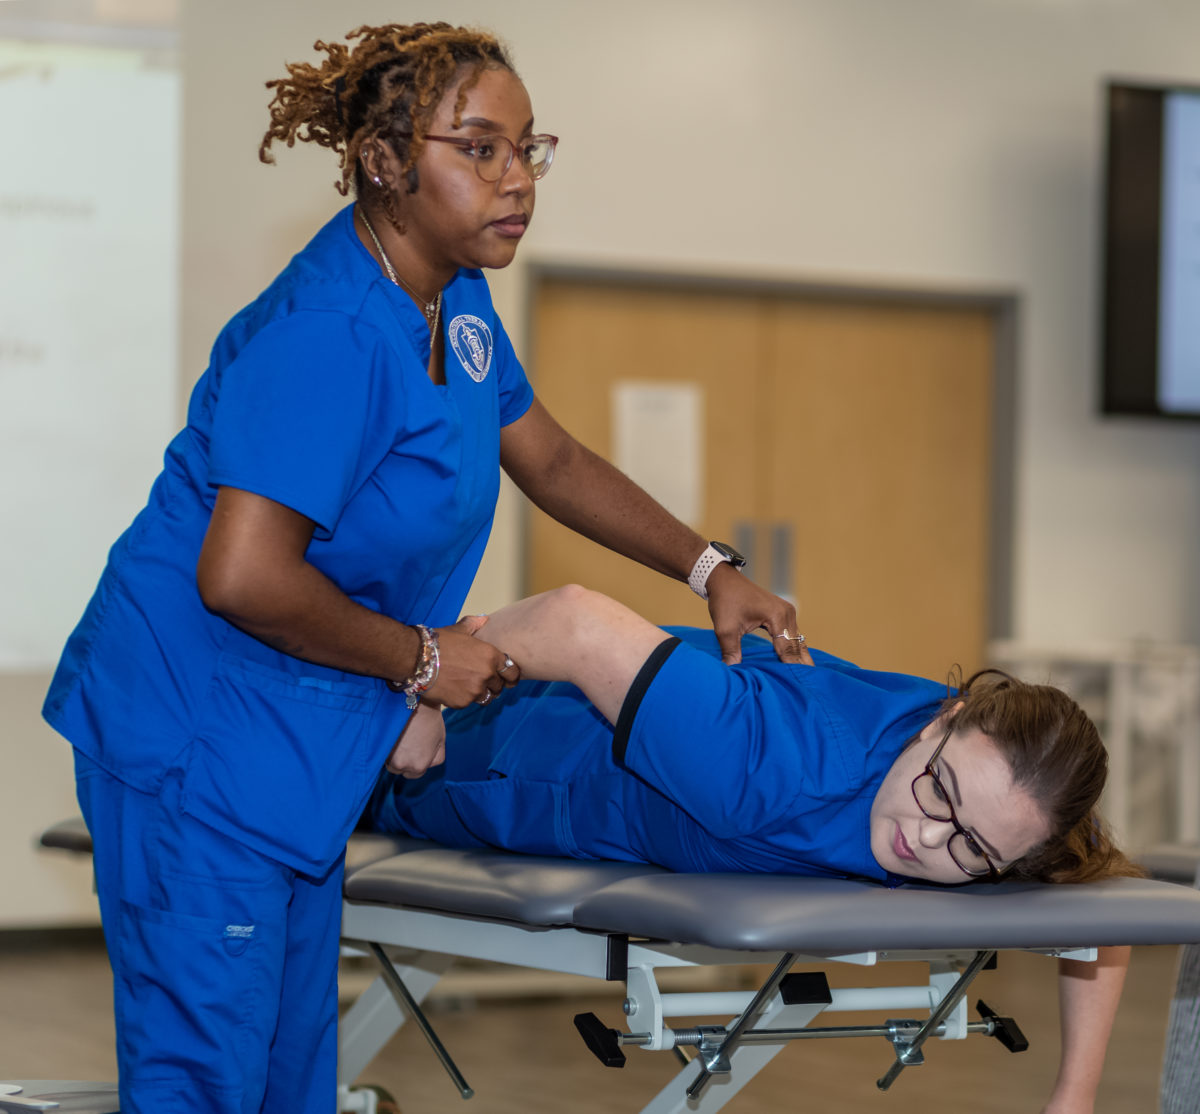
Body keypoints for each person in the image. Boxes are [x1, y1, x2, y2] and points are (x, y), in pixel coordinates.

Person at [40, 24, 794, 1114]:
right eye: (480, 149)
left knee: (291, 1082)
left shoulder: (455, 300)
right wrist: (421, 657)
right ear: (386, 160)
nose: (517, 180)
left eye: (530, 149)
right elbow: (241, 577)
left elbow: (550, 455)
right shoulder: (331, 331)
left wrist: (708, 564)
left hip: (297, 739)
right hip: (194, 738)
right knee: (205, 1082)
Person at [367, 584, 1141, 1114]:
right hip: (461, 756)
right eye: (940, 791)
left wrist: (1073, 1097)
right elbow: (574, 620)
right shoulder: (773, 765)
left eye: (972, 848)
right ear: (948, 715)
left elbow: (1094, 898)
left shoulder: (1014, 790)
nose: (927, 837)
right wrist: (420, 685)